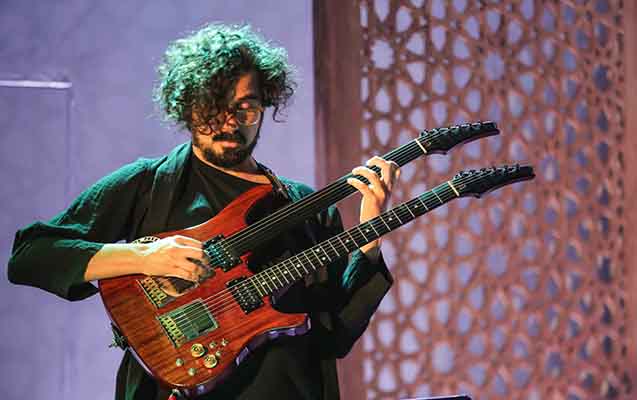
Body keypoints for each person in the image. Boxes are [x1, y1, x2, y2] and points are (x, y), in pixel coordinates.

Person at [7, 24, 399, 399]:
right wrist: (143, 257)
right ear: (187, 107)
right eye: (214, 107)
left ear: (265, 105)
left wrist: (370, 237)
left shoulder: (304, 205)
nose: (229, 123)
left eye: (245, 108)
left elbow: (335, 336)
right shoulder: (149, 184)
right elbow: (30, 255)